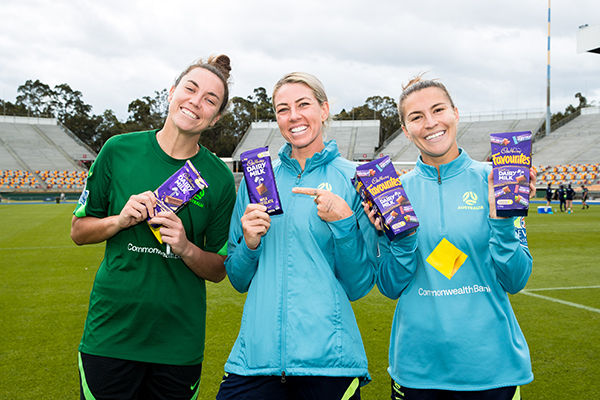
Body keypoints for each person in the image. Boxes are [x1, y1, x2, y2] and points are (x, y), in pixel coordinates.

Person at [70, 55, 236, 400]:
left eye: (210, 99)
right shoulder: (118, 150)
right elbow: (78, 231)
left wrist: (186, 247)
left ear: (216, 117)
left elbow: (219, 269)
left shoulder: (218, 178)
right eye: (190, 89)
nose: (195, 102)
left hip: (178, 344)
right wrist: (119, 220)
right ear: (172, 92)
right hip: (111, 335)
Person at [365, 75, 535, 400]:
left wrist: (501, 223)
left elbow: (515, 279)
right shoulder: (393, 193)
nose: (430, 123)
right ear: (405, 129)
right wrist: (399, 241)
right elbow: (389, 286)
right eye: (416, 117)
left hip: (491, 368)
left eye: (438, 110)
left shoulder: (496, 180)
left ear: (455, 113)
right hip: (417, 371)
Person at [217, 72, 377, 400]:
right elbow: (237, 277)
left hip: (330, 361)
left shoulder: (356, 179)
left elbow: (359, 283)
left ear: (324, 109)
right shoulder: (257, 180)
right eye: (282, 109)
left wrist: (345, 224)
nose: (293, 116)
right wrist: (248, 244)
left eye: (303, 104)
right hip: (255, 361)